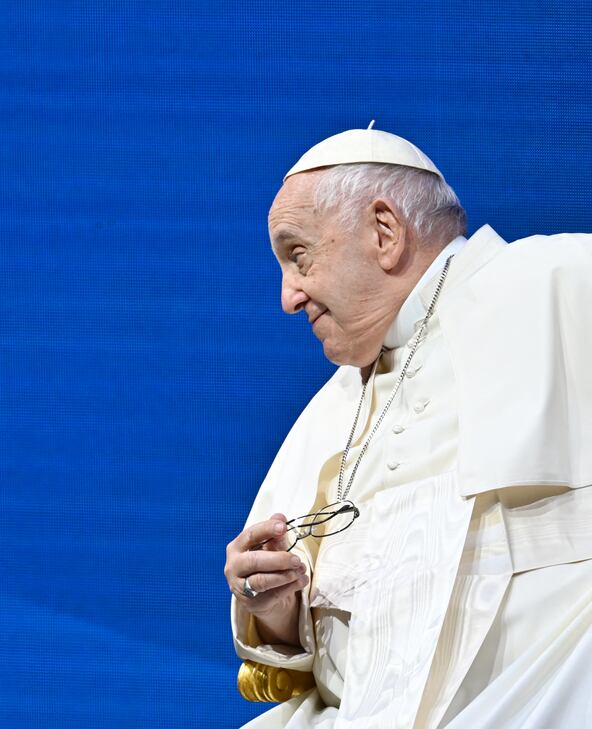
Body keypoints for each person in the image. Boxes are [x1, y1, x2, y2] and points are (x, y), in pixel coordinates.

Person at [224, 126, 592, 728]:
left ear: (385, 232)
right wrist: (279, 607)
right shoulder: (333, 410)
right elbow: (306, 662)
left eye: (298, 255)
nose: (288, 297)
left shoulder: (555, 283)